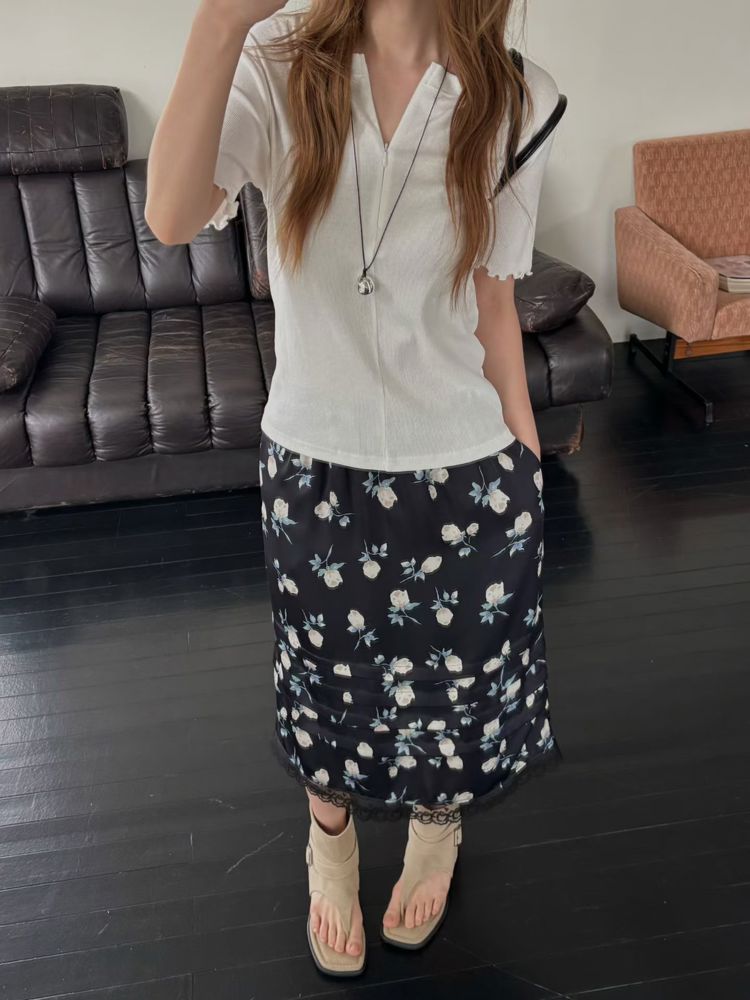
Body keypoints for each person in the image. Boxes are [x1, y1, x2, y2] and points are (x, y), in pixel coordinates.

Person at [147, 0, 563, 978]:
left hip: (470, 469)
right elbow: (169, 215)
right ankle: (328, 845)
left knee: (454, 692)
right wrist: (219, 21)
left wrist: (527, 463)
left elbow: (493, 300)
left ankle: (436, 827)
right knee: (327, 689)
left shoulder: (518, 99)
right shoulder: (275, 63)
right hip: (316, 469)